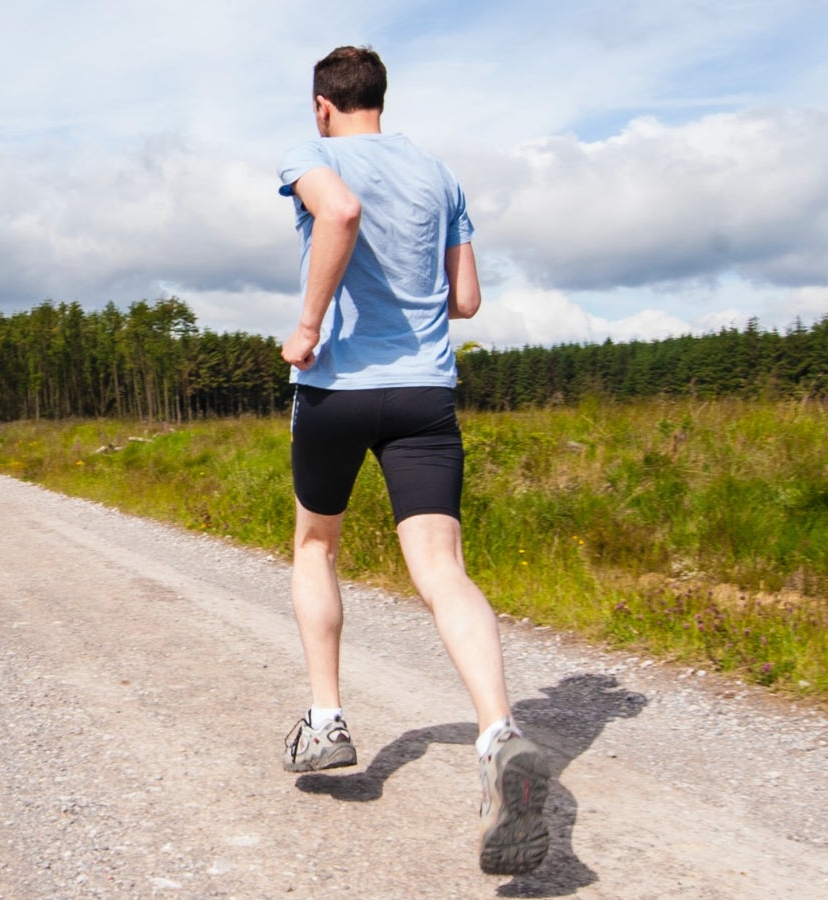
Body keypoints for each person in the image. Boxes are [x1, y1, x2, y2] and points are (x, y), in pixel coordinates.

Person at [276, 46, 550, 876]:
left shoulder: (312, 157)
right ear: (379, 100)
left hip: (337, 390)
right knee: (441, 568)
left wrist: (309, 324)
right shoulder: (438, 175)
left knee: (316, 544)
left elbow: (342, 213)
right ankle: (499, 731)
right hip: (426, 393)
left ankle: (326, 723)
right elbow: (465, 299)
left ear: (323, 105)